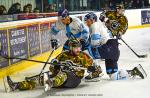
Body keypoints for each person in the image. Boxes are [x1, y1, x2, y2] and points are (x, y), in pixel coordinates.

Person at [3, 39, 101, 92]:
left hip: (73, 80)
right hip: (58, 79)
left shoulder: (83, 56)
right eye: (76, 48)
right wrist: (55, 66)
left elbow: (98, 70)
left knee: (63, 74)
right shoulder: (63, 55)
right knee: (41, 77)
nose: (78, 49)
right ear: (71, 47)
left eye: (79, 47)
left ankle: (51, 82)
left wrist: (92, 70)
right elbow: (52, 66)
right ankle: (16, 86)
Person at [84, 10, 147, 80]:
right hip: (113, 49)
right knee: (114, 76)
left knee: (87, 51)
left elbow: (95, 43)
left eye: (88, 21)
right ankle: (134, 71)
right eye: (86, 21)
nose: (87, 23)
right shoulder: (102, 25)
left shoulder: (94, 25)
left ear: (93, 20)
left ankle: (96, 71)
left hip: (108, 48)